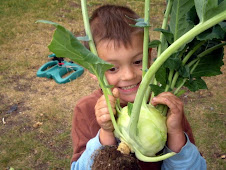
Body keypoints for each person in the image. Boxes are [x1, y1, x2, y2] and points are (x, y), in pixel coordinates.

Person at [71, 5, 206, 170]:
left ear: (149, 55)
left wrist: (175, 132)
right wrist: (106, 132)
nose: (128, 75)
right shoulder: (86, 110)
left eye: (137, 62)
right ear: (93, 70)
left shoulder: (164, 107)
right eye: (112, 68)